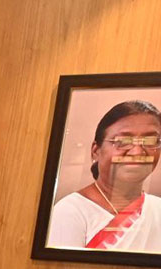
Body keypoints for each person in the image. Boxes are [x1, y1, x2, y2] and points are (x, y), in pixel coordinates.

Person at [46, 100, 161, 253]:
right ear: (96, 151)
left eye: (151, 141)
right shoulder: (70, 212)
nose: (137, 152)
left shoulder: (157, 209)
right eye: (123, 141)